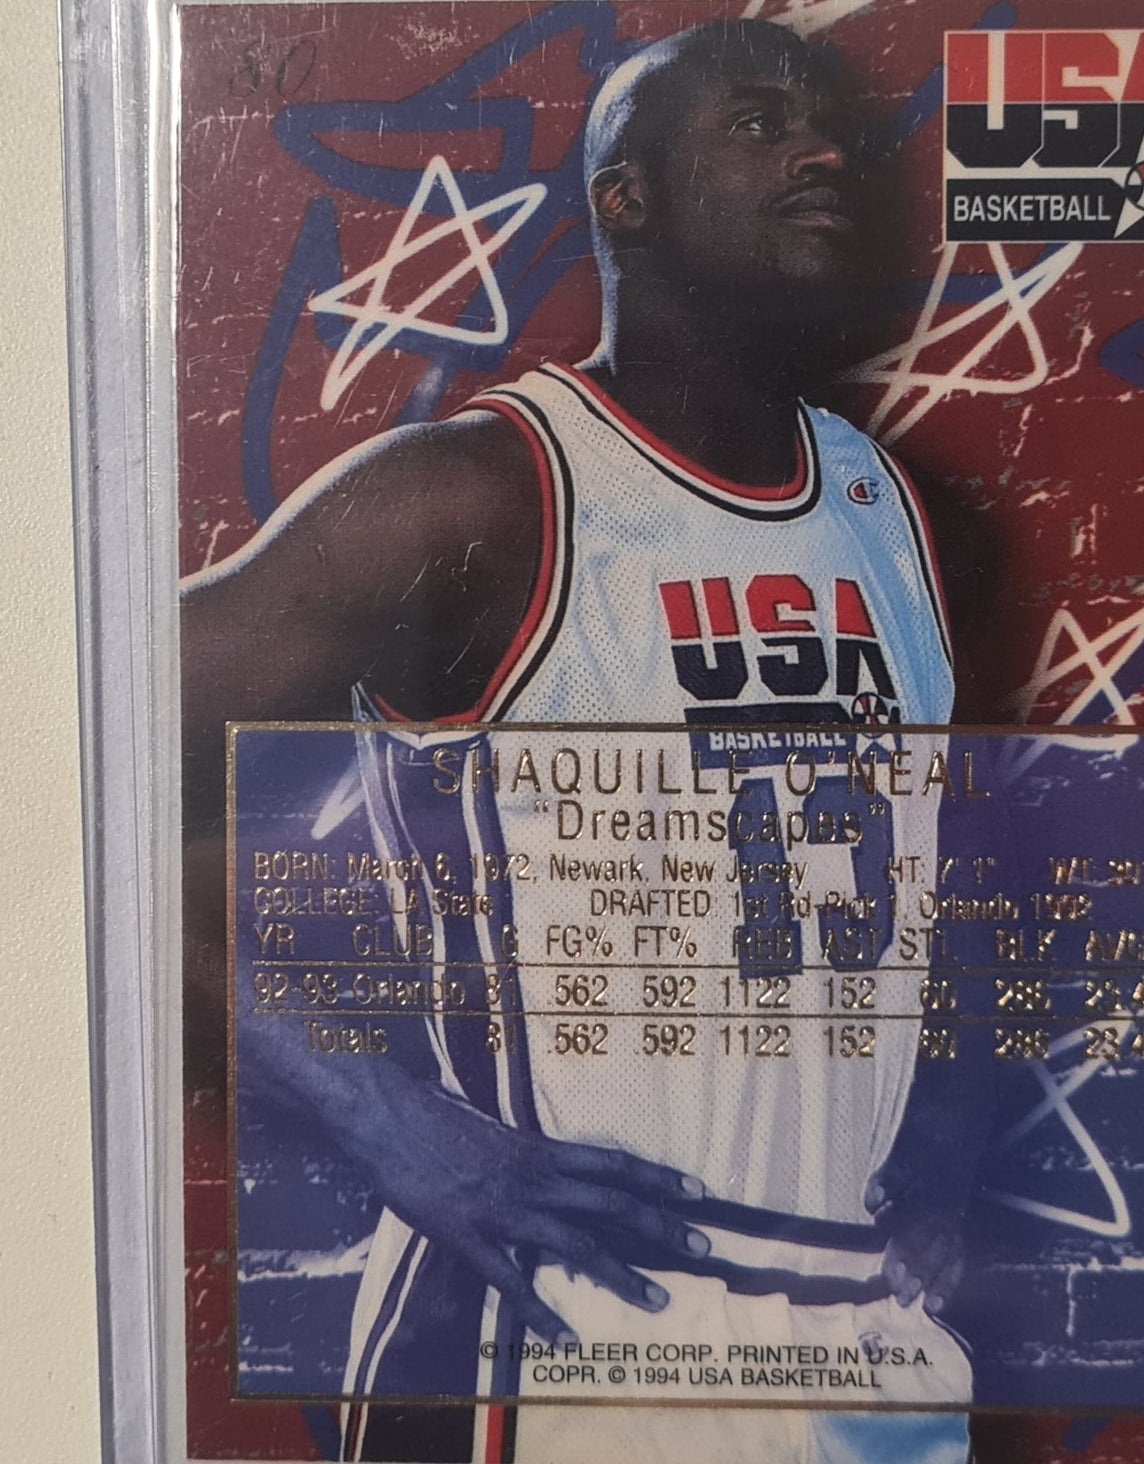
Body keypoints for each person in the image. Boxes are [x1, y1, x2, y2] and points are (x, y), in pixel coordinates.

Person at [183, 19, 991, 1462]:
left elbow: (918, 869)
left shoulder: (894, 509)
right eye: (756, 125)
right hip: (559, 1315)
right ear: (628, 199)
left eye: (829, 129)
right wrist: (375, 1115)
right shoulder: (482, 493)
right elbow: (65, 764)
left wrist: (936, 1134)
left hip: (858, 1329)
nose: (820, 150)